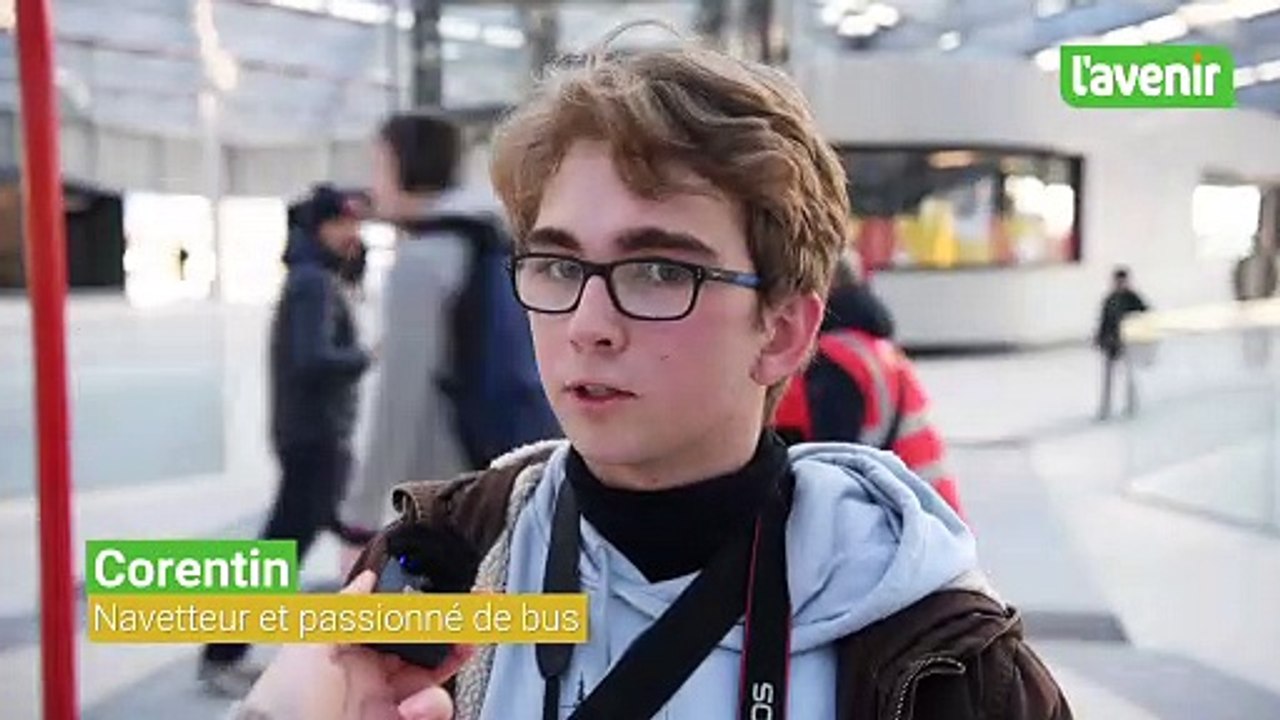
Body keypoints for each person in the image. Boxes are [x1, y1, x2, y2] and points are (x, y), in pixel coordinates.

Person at [235, 25, 1071, 720]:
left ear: (782, 331)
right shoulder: (433, 564)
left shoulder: (944, 664)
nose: (588, 324)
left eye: (661, 272)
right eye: (558, 265)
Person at [199, 184, 372, 697]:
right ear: (321, 227)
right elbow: (312, 359)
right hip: (315, 436)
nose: (353, 233)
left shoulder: (315, 277)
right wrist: (367, 356)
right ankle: (221, 654)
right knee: (281, 549)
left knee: (324, 535)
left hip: (315, 434)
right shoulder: (313, 283)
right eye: (343, 223)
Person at [336, 112, 491, 553]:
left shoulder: (421, 262)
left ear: (408, 167)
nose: (373, 185)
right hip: (498, 473)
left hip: (445, 487)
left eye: (379, 166)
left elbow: (398, 400)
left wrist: (359, 520)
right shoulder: (486, 241)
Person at [773, 249, 964, 516]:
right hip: (927, 512)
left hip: (904, 517)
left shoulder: (836, 359)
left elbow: (831, 464)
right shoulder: (870, 347)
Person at [1094, 265, 1149, 420]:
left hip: (1127, 341)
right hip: (1112, 341)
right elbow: (1104, 321)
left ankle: (1131, 404)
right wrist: (1100, 338)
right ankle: (1106, 407)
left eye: (1122, 281)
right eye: (1117, 281)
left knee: (1128, 375)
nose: (1119, 284)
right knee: (1109, 377)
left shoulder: (1132, 298)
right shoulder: (1110, 299)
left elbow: (1144, 314)